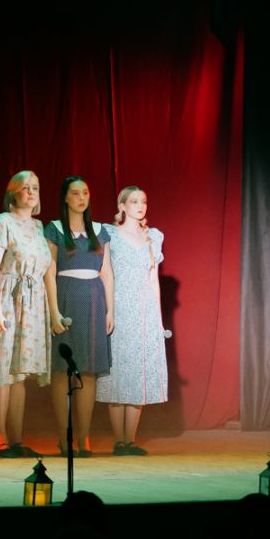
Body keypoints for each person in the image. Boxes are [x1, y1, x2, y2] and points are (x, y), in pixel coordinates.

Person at [0, 170, 52, 458]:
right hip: (7, 300)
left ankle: (17, 439)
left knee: (19, 375)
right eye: (25, 187)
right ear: (13, 193)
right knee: (2, 372)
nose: (31, 192)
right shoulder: (2, 222)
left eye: (35, 187)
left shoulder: (38, 227)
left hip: (32, 304)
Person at [97, 186, 168, 455]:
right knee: (118, 371)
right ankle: (119, 439)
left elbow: (153, 279)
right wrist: (108, 310)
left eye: (144, 201)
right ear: (122, 206)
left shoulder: (153, 236)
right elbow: (105, 273)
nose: (140, 206)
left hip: (145, 309)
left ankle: (130, 440)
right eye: (134, 201)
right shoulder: (110, 234)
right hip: (119, 305)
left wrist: (158, 318)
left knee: (138, 371)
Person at [45, 176, 113, 457]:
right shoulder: (55, 229)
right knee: (63, 370)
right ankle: (64, 437)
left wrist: (111, 309)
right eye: (75, 193)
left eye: (85, 192)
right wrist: (54, 311)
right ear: (65, 197)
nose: (81, 198)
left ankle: (84, 437)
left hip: (94, 300)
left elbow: (106, 271)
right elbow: (49, 270)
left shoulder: (100, 230)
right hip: (66, 296)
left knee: (88, 369)